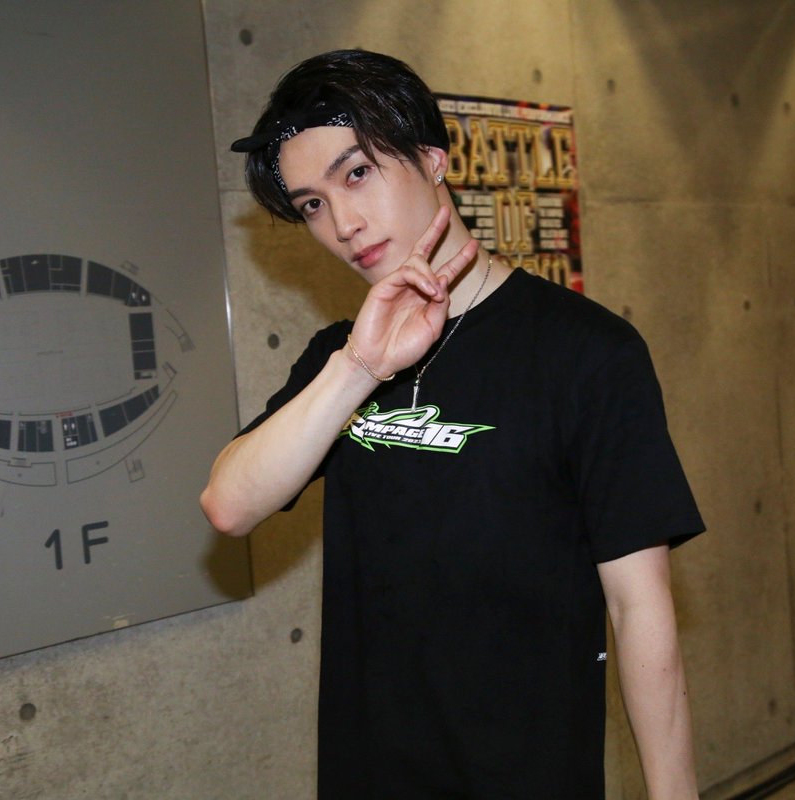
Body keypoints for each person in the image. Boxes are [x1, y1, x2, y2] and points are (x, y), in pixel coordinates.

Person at [201, 49, 705, 800]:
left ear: (433, 159)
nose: (342, 224)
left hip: (525, 773)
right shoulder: (340, 361)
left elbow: (641, 608)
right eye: (311, 205)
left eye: (356, 174)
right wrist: (359, 368)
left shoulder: (587, 351)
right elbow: (229, 504)